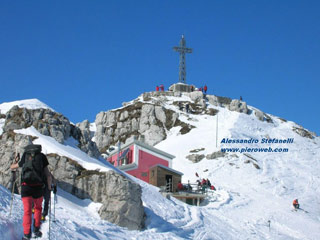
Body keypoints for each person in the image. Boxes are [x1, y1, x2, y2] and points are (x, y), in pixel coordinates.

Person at [10, 144, 52, 240]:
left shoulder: (26, 155)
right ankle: (36, 230)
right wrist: (49, 188)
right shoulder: (42, 157)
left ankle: (26, 234)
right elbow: (48, 175)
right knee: (37, 208)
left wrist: (12, 165)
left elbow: (16, 166)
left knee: (27, 212)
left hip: (26, 187)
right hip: (38, 188)